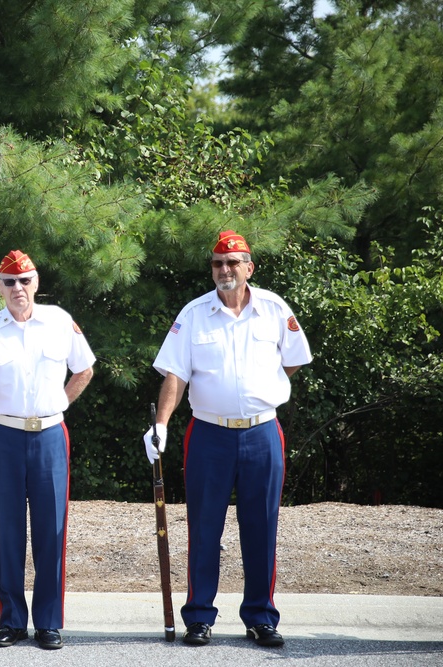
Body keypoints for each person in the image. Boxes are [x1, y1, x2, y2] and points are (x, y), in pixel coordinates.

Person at [143, 230, 312, 648]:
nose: (225, 270)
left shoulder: (273, 309)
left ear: (249, 267)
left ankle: (260, 617)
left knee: (261, 527)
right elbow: (175, 375)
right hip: (209, 435)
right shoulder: (194, 313)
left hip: (261, 433)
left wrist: (262, 391)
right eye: (218, 263)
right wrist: (161, 423)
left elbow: (293, 360)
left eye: (233, 262)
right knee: (204, 528)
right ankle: (199, 617)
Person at [0, 250, 95, 650]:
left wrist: (62, 403)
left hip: (50, 436)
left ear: (36, 282)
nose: (18, 288)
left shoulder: (58, 321)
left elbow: (84, 369)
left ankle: (48, 622)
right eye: (9, 282)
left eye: (24, 280)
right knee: (6, 531)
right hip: (3, 436)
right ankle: (12, 620)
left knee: (52, 530)